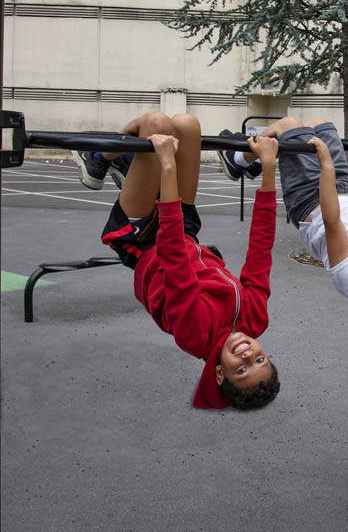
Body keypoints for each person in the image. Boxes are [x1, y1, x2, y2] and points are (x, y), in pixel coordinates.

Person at [98, 111, 281, 410]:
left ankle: (98, 157)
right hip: (183, 232)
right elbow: (261, 250)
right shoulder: (255, 318)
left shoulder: (196, 336)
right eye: (260, 359)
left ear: (219, 374)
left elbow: (172, 258)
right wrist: (270, 167)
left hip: (144, 241)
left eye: (242, 369)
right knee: (187, 125)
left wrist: (168, 163)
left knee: (156, 124)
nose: (248, 355)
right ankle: (133, 165)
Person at [218, 117, 348, 360]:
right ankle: (255, 160)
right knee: (321, 124)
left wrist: (326, 166)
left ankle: (238, 159)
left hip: (310, 200)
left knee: (289, 126)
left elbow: (332, 222)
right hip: (340, 187)